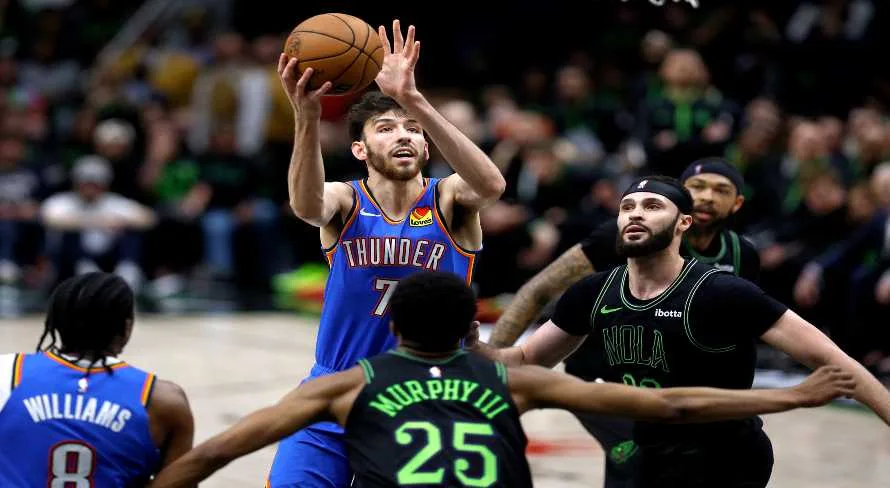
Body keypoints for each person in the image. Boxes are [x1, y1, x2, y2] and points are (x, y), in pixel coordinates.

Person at [151, 271, 854, 488]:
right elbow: (670, 403)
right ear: (471, 334)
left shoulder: (344, 385)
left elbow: (214, 454)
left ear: (392, 329)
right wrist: (792, 394)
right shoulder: (516, 383)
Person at [469, 176, 890, 488]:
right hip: (647, 450)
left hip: (724, 458)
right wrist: (469, 344)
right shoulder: (593, 291)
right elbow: (523, 362)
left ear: (684, 223)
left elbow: (838, 364)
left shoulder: (721, 292)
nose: (635, 213)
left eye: (652, 206)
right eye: (628, 207)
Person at [268, 20, 506, 487]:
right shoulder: (346, 200)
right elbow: (306, 205)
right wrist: (307, 117)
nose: (404, 136)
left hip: (427, 392)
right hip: (336, 386)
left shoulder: (447, 200)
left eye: (413, 130)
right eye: (386, 127)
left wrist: (414, 99)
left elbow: (492, 185)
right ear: (359, 148)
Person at [489, 158, 756, 488]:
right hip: (602, 379)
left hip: (674, 386)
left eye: (721, 190)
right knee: (634, 458)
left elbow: (744, 340)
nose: (707, 197)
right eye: (697, 187)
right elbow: (539, 288)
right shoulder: (626, 234)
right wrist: (491, 359)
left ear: (737, 203)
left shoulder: (742, 253)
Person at [0, 272, 194, 486]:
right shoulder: (164, 400)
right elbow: (183, 482)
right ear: (126, 326)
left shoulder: (8, 371)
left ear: (56, 320)